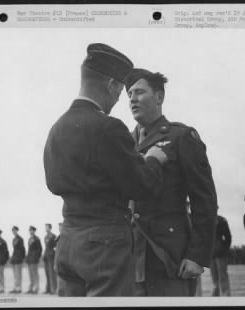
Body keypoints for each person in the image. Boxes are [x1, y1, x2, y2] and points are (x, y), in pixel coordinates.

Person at [43, 44, 168, 297]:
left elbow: (53, 183)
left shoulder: (57, 127)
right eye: (121, 91)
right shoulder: (109, 127)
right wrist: (153, 160)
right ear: (111, 85)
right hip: (104, 244)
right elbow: (141, 186)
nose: (119, 99)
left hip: (67, 240)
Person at [125, 69, 218, 296]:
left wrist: (197, 256)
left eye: (139, 92)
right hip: (130, 259)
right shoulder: (125, 142)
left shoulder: (181, 138)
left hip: (169, 257)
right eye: (129, 94)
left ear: (159, 97)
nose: (132, 99)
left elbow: (204, 201)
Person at [210, 215, 232, 296]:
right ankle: (216, 296)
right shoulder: (206, 219)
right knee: (214, 278)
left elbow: (228, 237)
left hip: (221, 253)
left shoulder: (221, 220)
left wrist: (224, 249)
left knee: (223, 276)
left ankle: (226, 296)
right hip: (211, 253)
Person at [25, 226, 42, 294]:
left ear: (34, 231)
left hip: (34, 259)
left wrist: (36, 257)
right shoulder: (29, 239)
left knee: (35, 274)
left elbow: (40, 249)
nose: (30, 232)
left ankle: (36, 288)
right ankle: (31, 288)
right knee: (30, 274)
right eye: (30, 230)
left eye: (32, 230)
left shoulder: (37, 239)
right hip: (29, 259)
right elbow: (29, 250)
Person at [9, 226, 26, 294]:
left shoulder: (20, 239)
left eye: (15, 230)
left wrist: (22, 258)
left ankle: (19, 288)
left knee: (18, 274)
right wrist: (12, 258)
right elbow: (14, 250)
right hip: (14, 259)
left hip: (19, 259)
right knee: (15, 275)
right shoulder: (13, 239)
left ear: (17, 231)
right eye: (13, 230)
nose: (14, 232)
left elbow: (23, 249)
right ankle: (15, 287)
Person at [0, 229, 9, 293]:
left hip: (1, 261)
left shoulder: (3, 242)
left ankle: (2, 288)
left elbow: (6, 252)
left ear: (0, 233)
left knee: (1, 275)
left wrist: (4, 260)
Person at [43, 223, 57, 294]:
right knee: (47, 273)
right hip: (46, 256)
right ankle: (48, 288)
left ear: (50, 228)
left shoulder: (53, 236)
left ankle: (53, 289)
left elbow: (56, 246)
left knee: (52, 273)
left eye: (47, 227)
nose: (45, 228)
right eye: (45, 227)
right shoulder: (45, 237)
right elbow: (46, 247)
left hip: (51, 256)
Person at [54, 222, 65, 296]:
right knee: (59, 278)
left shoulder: (66, 237)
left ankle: (62, 291)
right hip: (58, 260)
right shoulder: (58, 237)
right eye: (59, 227)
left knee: (63, 279)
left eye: (61, 227)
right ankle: (59, 291)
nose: (60, 228)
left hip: (63, 261)